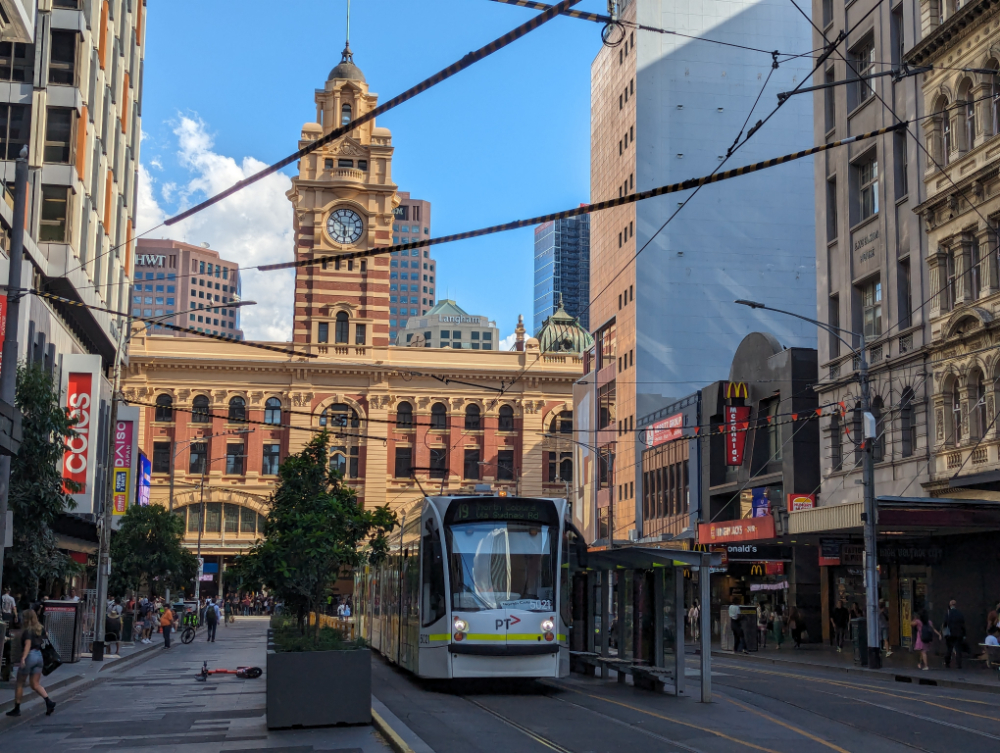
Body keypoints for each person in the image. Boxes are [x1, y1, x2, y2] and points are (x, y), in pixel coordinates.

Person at [5, 608, 56, 717]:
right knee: (35, 684)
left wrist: (23, 658)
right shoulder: (40, 629)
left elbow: (27, 645)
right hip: (39, 657)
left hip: (30, 656)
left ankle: (17, 708)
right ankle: (48, 702)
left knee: (19, 682)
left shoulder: (28, 631)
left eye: (23, 617)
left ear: (27, 619)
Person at [942, 599, 967, 669]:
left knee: (949, 649)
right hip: (959, 634)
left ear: (950, 605)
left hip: (950, 634)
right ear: (956, 605)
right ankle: (958, 664)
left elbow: (945, 623)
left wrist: (944, 633)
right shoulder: (960, 613)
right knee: (958, 649)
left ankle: (947, 663)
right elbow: (963, 625)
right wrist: (964, 634)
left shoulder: (948, 613)